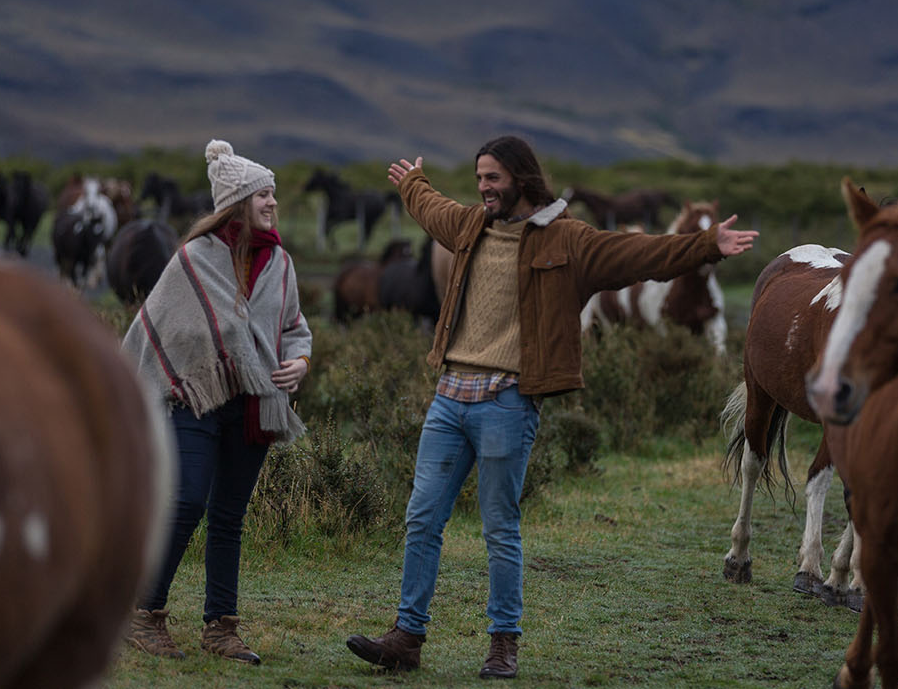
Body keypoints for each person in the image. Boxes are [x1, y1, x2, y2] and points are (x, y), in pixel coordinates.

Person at [346, 135, 757, 679]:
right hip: (449, 399)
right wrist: (412, 184)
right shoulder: (470, 226)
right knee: (422, 519)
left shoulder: (569, 241)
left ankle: (503, 642)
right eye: (478, 179)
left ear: (521, 177)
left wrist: (705, 245)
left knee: (499, 526)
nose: (483, 189)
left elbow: (641, 255)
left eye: (492, 178)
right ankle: (406, 637)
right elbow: (433, 209)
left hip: (507, 403)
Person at [122, 139, 311, 665]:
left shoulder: (280, 263)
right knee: (187, 501)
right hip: (195, 400)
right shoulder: (193, 261)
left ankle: (221, 629)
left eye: (273, 193)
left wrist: (300, 363)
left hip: (255, 404)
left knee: (230, 516)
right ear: (239, 202)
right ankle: (144, 614)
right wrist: (180, 376)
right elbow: (155, 328)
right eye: (263, 195)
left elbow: (294, 328)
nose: (273, 203)